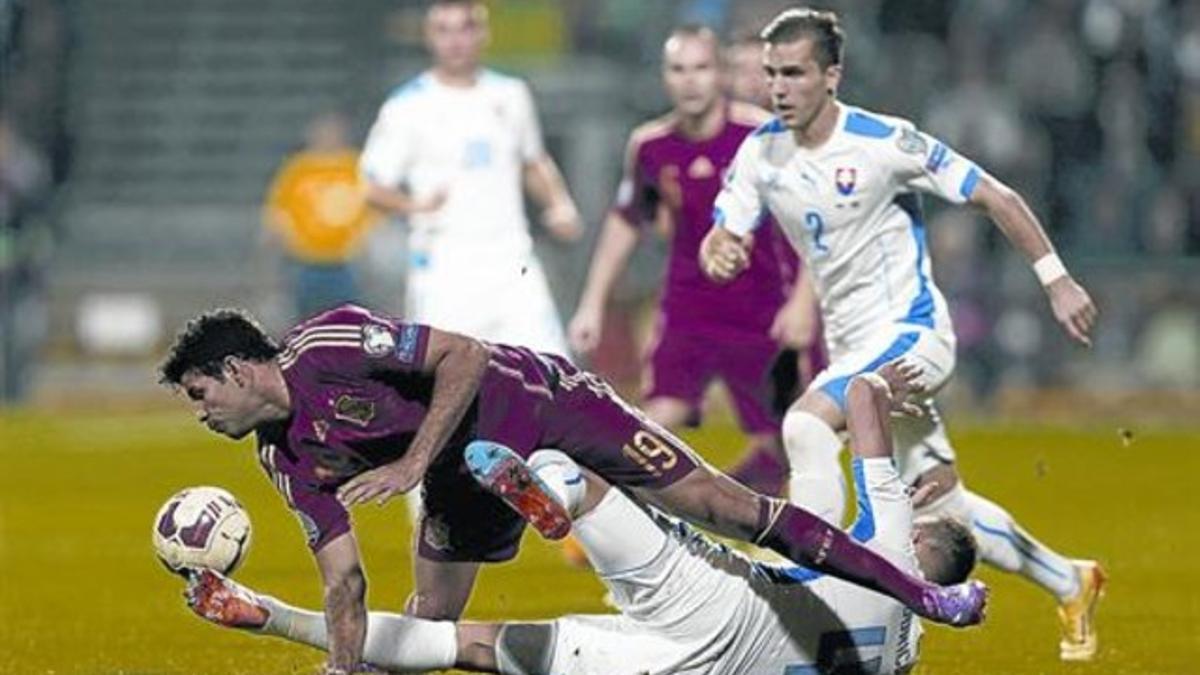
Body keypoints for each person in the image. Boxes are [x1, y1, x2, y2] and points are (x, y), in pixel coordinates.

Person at [159, 302, 986, 674]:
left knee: (717, 502)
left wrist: (412, 465)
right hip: (464, 470)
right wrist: (343, 669)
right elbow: (343, 577)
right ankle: (552, 490)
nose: (200, 415)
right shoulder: (283, 455)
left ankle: (554, 484)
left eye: (199, 395)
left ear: (234, 369)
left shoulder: (332, 342)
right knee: (430, 621)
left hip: (537, 399)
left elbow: (468, 355)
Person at [700, 8, 1104, 661]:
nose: (778, 86)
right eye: (772, 73)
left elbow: (997, 196)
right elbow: (724, 234)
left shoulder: (885, 142)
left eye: (794, 72)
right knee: (944, 502)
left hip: (913, 333)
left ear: (831, 75)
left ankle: (809, 589)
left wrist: (1056, 280)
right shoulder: (761, 153)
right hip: (854, 343)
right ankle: (1072, 578)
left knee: (805, 425)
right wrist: (720, 250)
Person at [567, 25, 811, 498]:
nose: (690, 80)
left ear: (720, 74)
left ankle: (779, 537)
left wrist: (802, 302)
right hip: (688, 311)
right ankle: (596, 512)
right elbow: (625, 222)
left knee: (789, 443)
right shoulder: (650, 146)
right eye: (679, 69)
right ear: (665, 78)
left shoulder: (762, 136)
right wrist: (592, 302)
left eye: (701, 68)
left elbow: (809, 224)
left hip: (762, 312)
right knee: (649, 429)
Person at [359, 0, 581, 357]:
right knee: (445, 385)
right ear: (428, 37)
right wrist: (415, 205)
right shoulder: (407, 107)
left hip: (510, 258)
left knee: (551, 371)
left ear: (483, 33)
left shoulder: (511, 95)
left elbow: (533, 159)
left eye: (465, 28)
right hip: (444, 263)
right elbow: (372, 187)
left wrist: (559, 203)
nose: (455, 41)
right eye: (444, 30)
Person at [262, 112, 378, 320]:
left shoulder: (357, 166)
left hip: (347, 260)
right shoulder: (298, 168)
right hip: (305, 260)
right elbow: (278, 213)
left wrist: (367, 245)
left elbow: (374, 210)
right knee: (306, 320)